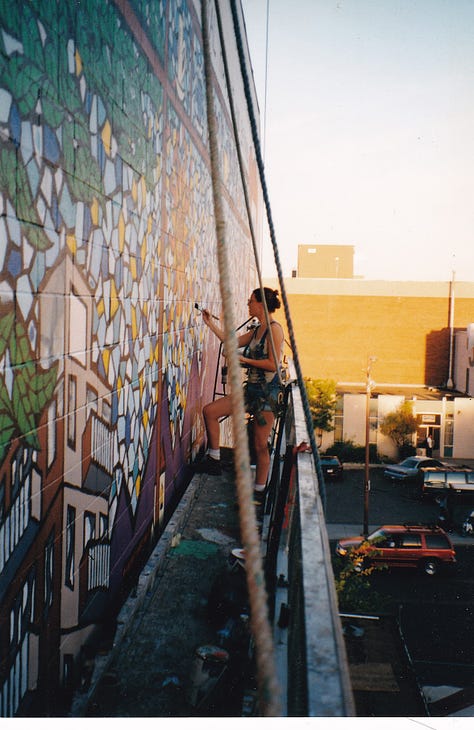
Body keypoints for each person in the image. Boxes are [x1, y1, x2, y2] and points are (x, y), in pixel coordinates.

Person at [194, 287, 285, 500]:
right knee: (210, 411)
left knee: (260, 445)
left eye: (250, 301)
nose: (248, 304)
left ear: (261, 305)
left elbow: (273, 365)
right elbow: (231, 340)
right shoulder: (257, 330)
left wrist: (243, 360)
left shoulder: (274, 330)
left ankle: (259, 491)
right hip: (251, 390)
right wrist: (210, 324)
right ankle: (214, 460)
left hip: (267, 396)